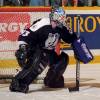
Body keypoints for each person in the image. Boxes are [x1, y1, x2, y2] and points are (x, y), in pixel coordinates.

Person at [9, 6, 93, 93]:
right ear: (53, 16)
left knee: (63, 60)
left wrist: (79, 49)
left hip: (49, 52)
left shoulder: (62, 27)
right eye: (58, 17)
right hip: (36, 50)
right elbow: (25, 34)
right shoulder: (43, 23)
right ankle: (18, 82)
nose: (60, 20)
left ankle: (52, 80)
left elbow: (72, 38)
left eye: (62, 18)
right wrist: (22, 48)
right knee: (40, 60)